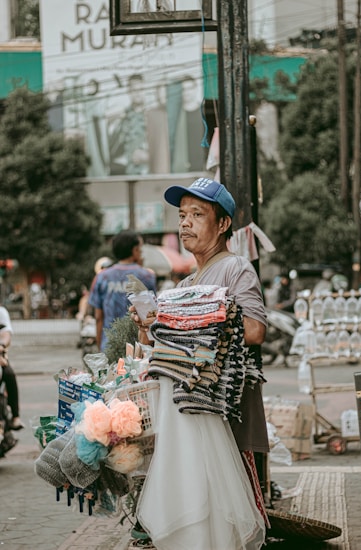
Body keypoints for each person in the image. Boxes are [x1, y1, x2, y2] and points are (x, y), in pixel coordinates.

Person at [130, 177, 269, 549]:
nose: (185, 223)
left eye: (197, 214)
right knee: (195, 509)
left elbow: (255, 330)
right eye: (182, 215)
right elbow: (163, 346)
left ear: (223, 224)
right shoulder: (185, 282)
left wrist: (191, 319)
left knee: (226, 513)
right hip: (188, 420)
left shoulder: (236, 268)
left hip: (228, 416)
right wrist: (150, 327)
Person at [88, 230, 156, 352]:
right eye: (140, 248)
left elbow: (98, 316)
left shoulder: (102, 277)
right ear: (134, 250)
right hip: (139, 346)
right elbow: (152, 314)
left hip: (109, 345)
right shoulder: (147, 276)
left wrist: (100, 345)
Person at [107, 74, 150, 176]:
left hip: (148, 173)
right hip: (125, 174)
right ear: (129, 92)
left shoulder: (152, 115)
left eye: (141, 89)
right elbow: (111, 147)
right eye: (134, 90)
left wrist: (148, 157)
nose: (138, 93)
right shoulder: (122, 117)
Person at [0, 305, 24, 431]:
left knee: (9, 374)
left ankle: (15, 416)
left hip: (0, 359)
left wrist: (1, 345)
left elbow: (6, 334)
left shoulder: (1, 312)